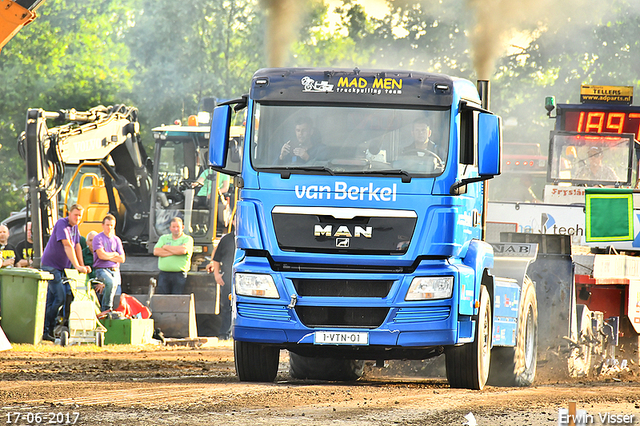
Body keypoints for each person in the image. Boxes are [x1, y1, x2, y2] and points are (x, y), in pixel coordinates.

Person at [41, 204, 91, 342]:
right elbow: (67, 245)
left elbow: (77, 246)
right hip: (50, 266)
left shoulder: (75, 227)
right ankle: (47, 329)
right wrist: (77, 266)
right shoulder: (62, 223)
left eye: (80, 215)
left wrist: (81, 266)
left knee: (53, 301)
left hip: (62, 268)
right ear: (69, 213)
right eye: (76, 215)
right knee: (60, 298)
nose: (78, 218)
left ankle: (46, 331)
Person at [206, 223, 235, 340]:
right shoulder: (226, 239)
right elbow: (216, 259)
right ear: (233, 222)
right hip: (228, 277)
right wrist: (217, 275)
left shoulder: (253, 238)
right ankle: (224, 335)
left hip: (248, 278)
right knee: (227, 307)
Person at [92, 215, 125, 312]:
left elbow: (122, 258)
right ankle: (106, 309)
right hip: (101, 270)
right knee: (110, 282)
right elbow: (101, 256)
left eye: (111, 225)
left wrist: (108, 255)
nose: (109, 227)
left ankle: (114, 315)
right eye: (107, 225)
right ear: (102, 225)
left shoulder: (117, 240)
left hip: (115, 271)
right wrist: (114, 255)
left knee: (116, 294)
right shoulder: (98, 238)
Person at [153, 217, 194, 294]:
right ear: (170, 228)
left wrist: (166, 247)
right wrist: (175, 251)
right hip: (164, 274)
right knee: (162, 299)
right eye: (173, 227)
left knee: (176, 298)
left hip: (179, 275)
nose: (176, 229)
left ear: (182, 227)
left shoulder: (188, 239)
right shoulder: (163, 238)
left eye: (178, 227)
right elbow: (156, 251)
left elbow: (183, 250)